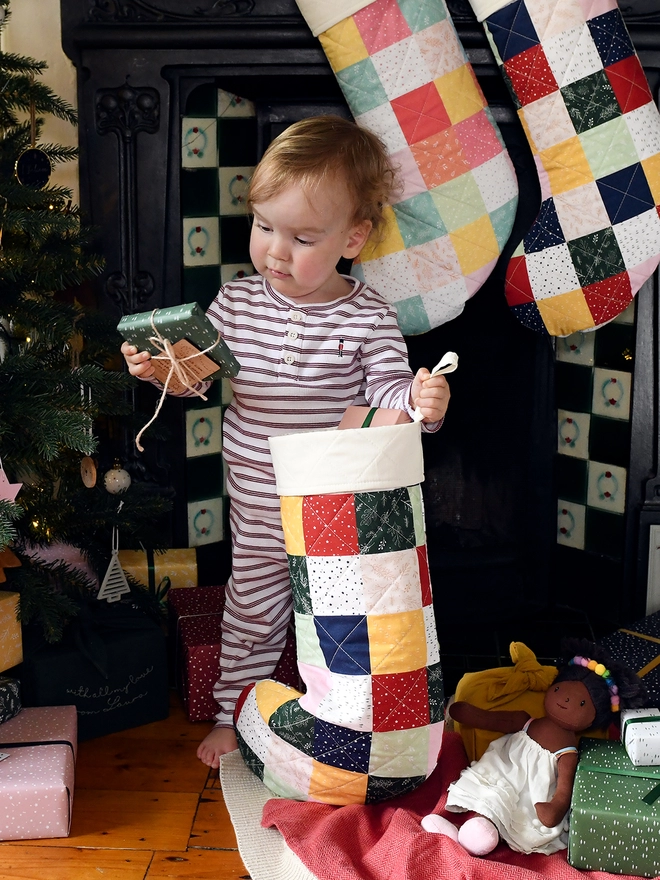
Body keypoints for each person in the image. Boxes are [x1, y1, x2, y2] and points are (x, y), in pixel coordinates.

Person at [121, 115, 451, 768]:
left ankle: (348, 724)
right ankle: (231, 714)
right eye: (264, 226)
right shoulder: (235, 305)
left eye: (301, 237)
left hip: (336, 501)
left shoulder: (367, 315)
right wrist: (161, 370)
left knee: (343, 613)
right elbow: (196, 380)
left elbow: (391, 395)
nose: (274, 249)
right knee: (252, 603)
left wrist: (423, 402)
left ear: (352, 238)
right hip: (257, 493)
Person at [422, 638, 646, 856]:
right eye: (559, 690)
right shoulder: (527, 720)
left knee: (514, 815)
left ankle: (475, 836)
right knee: (488, 796)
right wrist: (471, 715)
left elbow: (564, 789)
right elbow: (496, 720)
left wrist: (556, 807)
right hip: (504, 769)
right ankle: (462, 830)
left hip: (531, 790)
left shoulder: (568, 753)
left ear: (594, 718)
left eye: (581, 703)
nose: (565, 701)